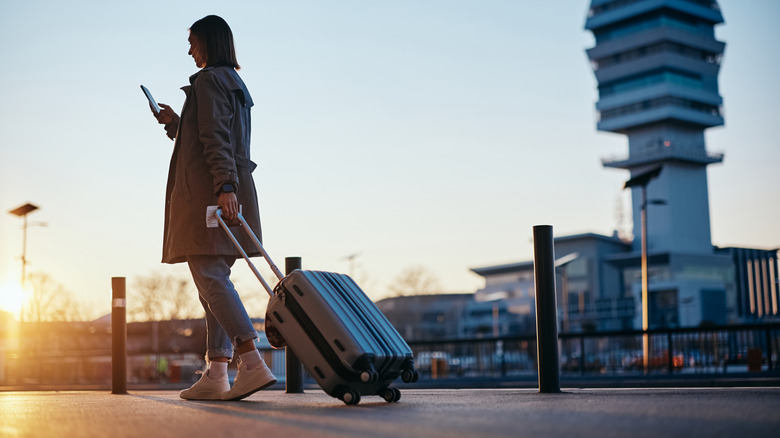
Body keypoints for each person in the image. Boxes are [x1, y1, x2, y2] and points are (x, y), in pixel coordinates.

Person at [150, 15, 276, 401]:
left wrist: (224, 186)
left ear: (208, 41)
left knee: (209, 276)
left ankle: (251, 363)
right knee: (213, 281)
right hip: (229, 189)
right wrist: (176, 123)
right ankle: (218, 371)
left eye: (193, 41)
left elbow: (215, 137)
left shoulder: (208, 80)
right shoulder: (233, 82)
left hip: (211, 194)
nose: (189, 50)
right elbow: (213, 131)